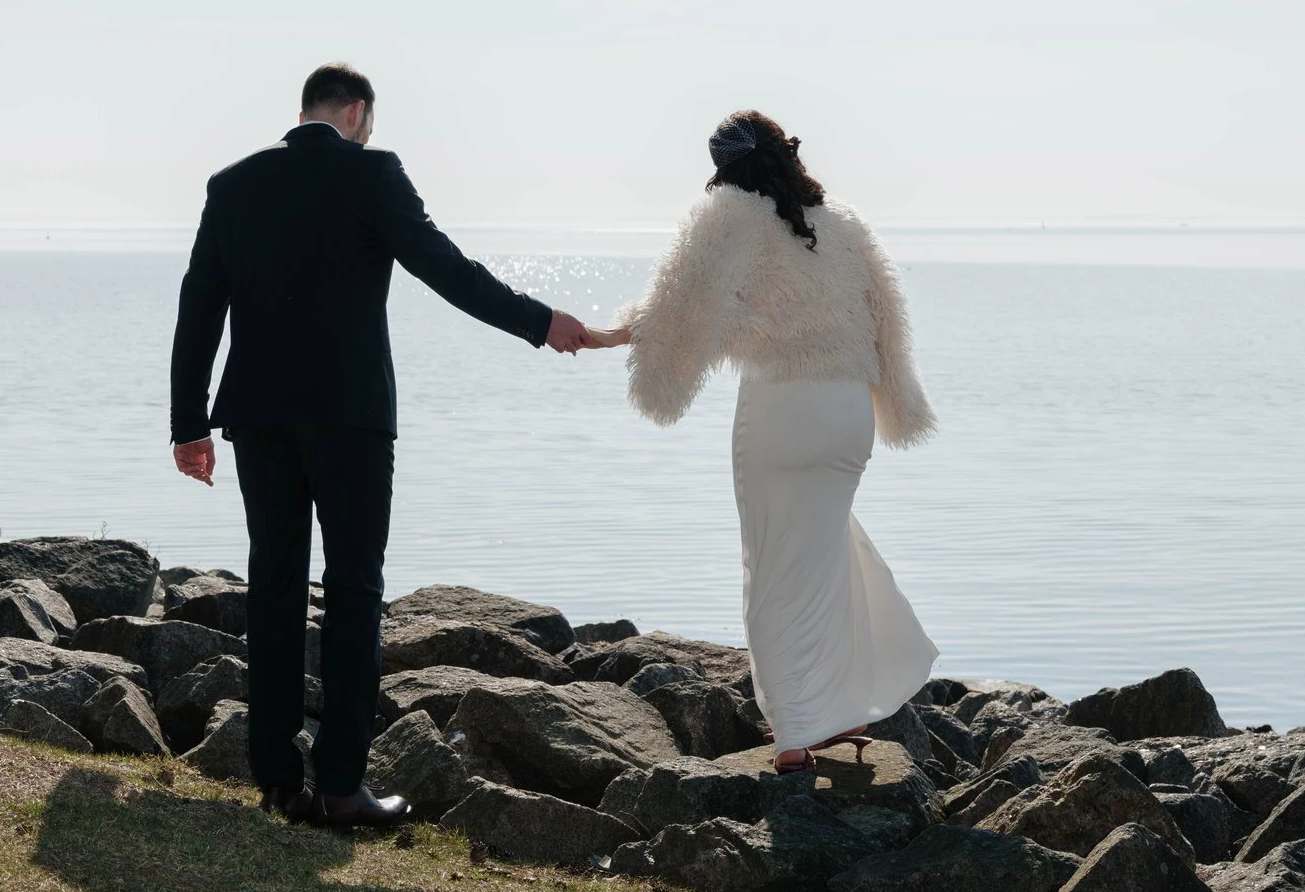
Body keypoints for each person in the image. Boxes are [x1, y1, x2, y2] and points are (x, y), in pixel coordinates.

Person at [170, 64, 589, 828]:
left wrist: (188, 424)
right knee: (354, 591)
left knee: (274, 587)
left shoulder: (233, 184)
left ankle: (278, 781)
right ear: (358, 112)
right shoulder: (373, 172)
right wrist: (541, 321)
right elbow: (447, 268)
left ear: (307, 109)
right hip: (351, 417)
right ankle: (340, 785)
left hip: (258, 418)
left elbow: (200, 303)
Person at [574, 110, 937, 770]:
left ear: (724, 168)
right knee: (823, 553)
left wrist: (613, 335)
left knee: (771, 565)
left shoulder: (728, 218)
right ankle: (838, 710)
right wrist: (899, 404)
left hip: (783, 411)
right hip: (847, 414)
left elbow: (679, 307)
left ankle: (795, 734)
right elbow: (889, 320)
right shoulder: (843, 225)